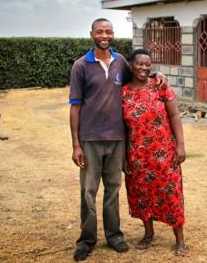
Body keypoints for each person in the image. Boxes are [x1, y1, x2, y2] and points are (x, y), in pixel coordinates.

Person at [69, 19, 165, 261]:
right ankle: (87, 240)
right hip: (90, 139)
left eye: (108, 31)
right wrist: (75, 145)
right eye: (100, 31)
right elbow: (75, 107)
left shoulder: (121, 61)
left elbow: (138, 75)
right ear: (91, 34)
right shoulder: (81, 66)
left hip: (117, 139)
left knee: (113, 190)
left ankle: (114, 236)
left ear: (113, 34)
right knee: (88, 192)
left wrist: (156, 73)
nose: (104, 35)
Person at [121, 48, 187, 256]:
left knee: (171, 194)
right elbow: (121, 127)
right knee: (142, 194)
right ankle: (148, 234)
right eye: (139, 63)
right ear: (131, 65)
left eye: (147, 64)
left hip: (164, 152)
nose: (144, 67)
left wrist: (180, 144)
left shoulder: (160, 86)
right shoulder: (122, 93)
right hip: (137, 155)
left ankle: (180, 240)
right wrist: (124, 156)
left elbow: (175, 116)